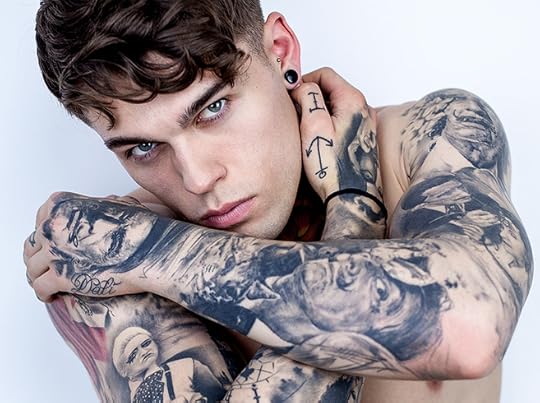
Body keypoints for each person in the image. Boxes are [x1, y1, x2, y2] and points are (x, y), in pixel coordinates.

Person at [24, 1, 533, 402]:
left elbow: (472, 327)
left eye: (212, 108)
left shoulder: (424, 140)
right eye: (142, 148)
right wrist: (354, 212)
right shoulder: (100, 260)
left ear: (281, 52)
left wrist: (156, 254)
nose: (198, 178)